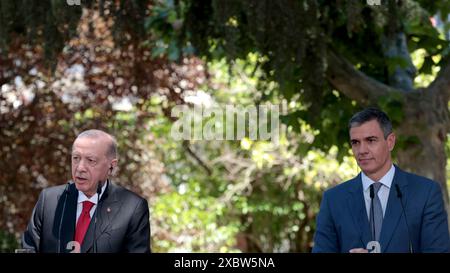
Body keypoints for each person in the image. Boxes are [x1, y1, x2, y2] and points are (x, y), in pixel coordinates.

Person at [312, 107, 450, 253]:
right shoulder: (333, 199)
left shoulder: (425, 193)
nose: (362, 150)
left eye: (370, 140)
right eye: (355, 142)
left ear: (390, 142)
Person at [22, 129, 151, 253]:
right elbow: (28, 248)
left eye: (91, 160)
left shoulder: (132, 208)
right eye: (76, 158)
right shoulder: (49, 200)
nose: (80, 168)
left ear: (112, 166)